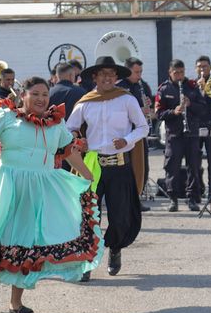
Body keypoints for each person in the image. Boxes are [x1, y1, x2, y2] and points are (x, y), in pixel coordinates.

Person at [0, 76, 99, 313]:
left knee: (28, 241)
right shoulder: (7, 116)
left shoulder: (56, 123)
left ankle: (16, 302)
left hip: (38, 188)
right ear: (22, 95)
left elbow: (68, 151)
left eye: (45, 94)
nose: (41, 99)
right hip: (7, 184)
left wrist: (86, 174)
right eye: (35, 94)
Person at [68, 57, 148, 277]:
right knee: (89, 215)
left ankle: (114, 248)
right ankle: (87, 261)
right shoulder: (85, 102)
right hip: (92, 165)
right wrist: (76, 138)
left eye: (111, 74)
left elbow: (143, 127)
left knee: (120, 216)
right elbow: (70, 128)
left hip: (119, 165)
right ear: (95, 77)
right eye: (102, 73)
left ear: (117, 77)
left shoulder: (126, 100)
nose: (107, 78)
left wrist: (127, 140)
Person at [156, 60, 202, 212]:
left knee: (193, 167)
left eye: (181, 72)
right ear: (170, 72)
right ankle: (173, 199)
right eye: (176, 73)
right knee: (172, 168)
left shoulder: (192, 87)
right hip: (174, 134)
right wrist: (174, 112)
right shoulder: (163, 89)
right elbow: (159, 113)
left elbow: (203, 108)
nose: (179, 75)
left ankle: (192, 198)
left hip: (192, 134)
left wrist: (191, 105)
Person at [118, 57, 155, 210]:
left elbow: (151, 108)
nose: (139, 75)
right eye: (136, 72)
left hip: (139, 133)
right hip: (125, 134)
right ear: (127, 71)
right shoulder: (119, 87)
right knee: (126, 168)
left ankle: (136, 198)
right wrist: (139, 111)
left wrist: (149, 109)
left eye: (141, 72)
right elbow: (117, 112)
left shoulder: (143, 85)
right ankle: (124, 200)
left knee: (142, 166)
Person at [193, 55, 211, 199]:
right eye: (200, 67)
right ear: (196, 68)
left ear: (210, 68)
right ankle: (199, 189)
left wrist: (204, 87)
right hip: (196, 126)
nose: (202, 69)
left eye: (205, 66)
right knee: (195, 161)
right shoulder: (192, 84)